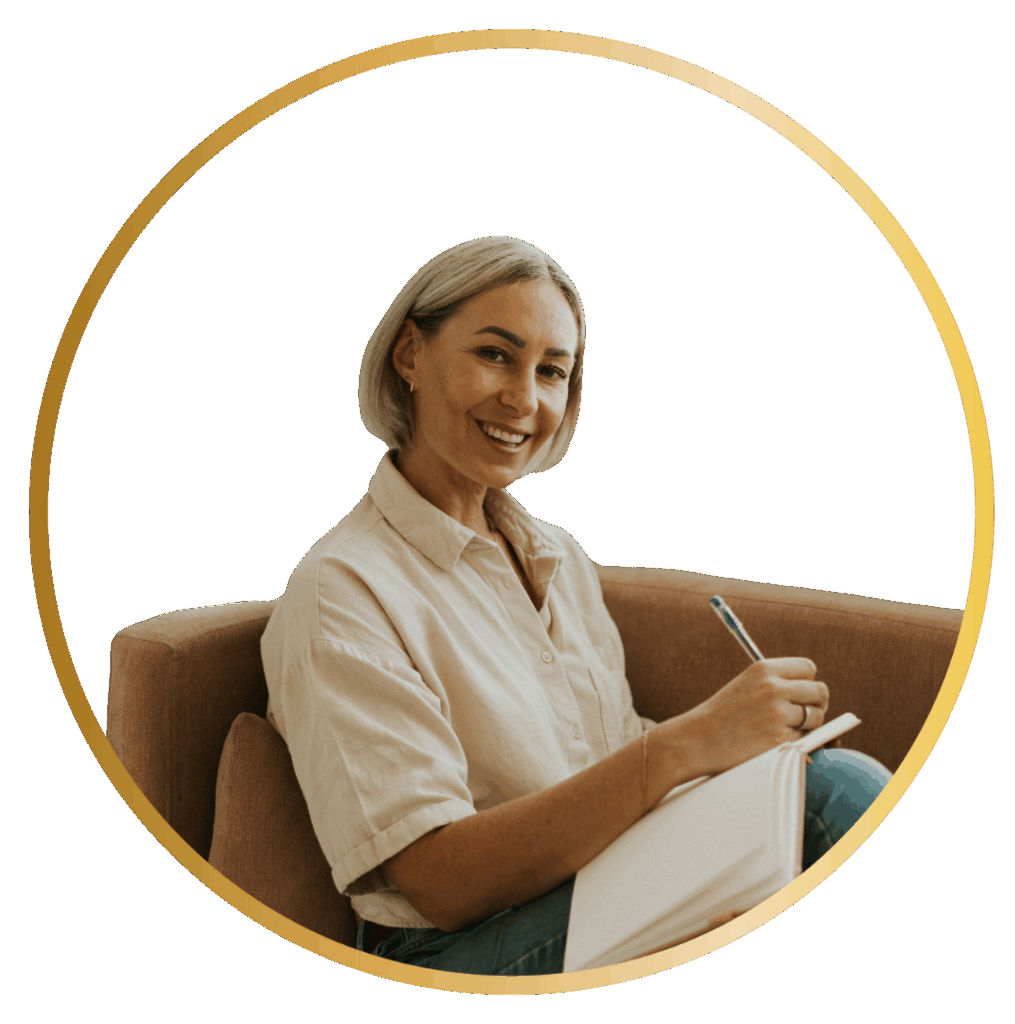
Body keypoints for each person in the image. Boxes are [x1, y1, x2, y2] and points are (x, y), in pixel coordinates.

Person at [260, 236, 891, 977]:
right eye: (495, 355)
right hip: (457, 949)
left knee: (823, 795)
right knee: (837, 799)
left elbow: (607, 758)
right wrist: (689, 744)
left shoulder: (557, 557)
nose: (525, 400)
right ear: (409, 355)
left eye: (552, 371)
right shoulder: (344, 590)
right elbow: (438, 881)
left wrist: (744, 765)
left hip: (608, 873)